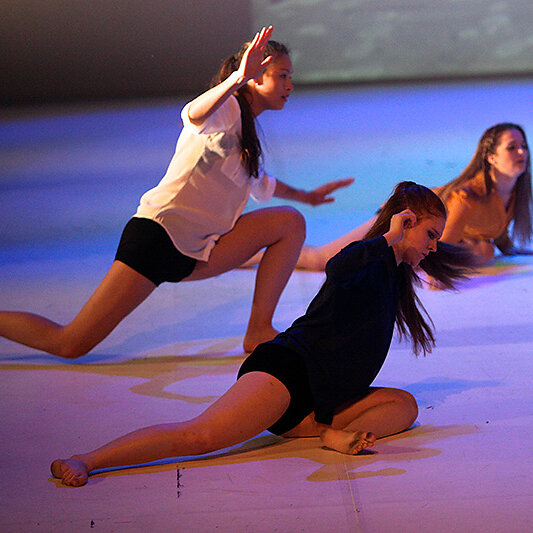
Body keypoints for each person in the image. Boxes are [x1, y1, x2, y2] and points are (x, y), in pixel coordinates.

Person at [51, 181, 476, 487]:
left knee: (403, 405)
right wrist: (388, 237)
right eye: (429, 235)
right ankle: (88, 459)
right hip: (287, 371)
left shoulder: (395, 274)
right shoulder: (369, 259)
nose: (433, 246)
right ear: (405, 222)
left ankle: (327, 433)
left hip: (319, 401)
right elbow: (336, 267)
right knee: (201, 436)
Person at [0, 27, 352, 357]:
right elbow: (192, 115)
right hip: (157, 238)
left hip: (201, 249)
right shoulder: (228, 107)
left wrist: (307, 196)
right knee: (71, 343)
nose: (290, 84)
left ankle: (259, 329)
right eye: (282, 75)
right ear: (256, 77)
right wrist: (236, 79)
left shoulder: (245, 128)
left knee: (289, 221)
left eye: (290, 76)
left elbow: (262, 183)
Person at [244, 123, 532, 271]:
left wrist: (501, 248)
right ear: (491, 157)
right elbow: (437, 253)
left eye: (524, 146)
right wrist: (479, 253)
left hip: (412, 234)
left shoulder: (514, 192)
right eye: (512, 147)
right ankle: (246, 253)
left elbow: (495, 227)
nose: (522, 152)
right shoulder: (465, 197)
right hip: (398, 220)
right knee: (320, 261)